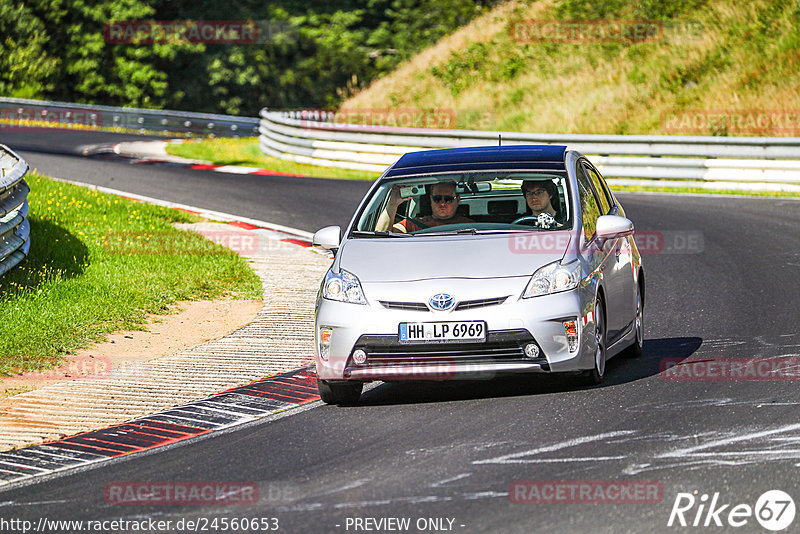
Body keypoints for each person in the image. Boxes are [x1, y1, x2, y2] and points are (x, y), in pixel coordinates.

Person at [376, 181, 473, 233]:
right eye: (437, 198)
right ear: (431, 199)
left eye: (448, 199)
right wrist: (392, 205)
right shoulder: (413, 224)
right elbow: (381, 236)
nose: (442, 204)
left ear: (458, 199)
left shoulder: (470, 226)